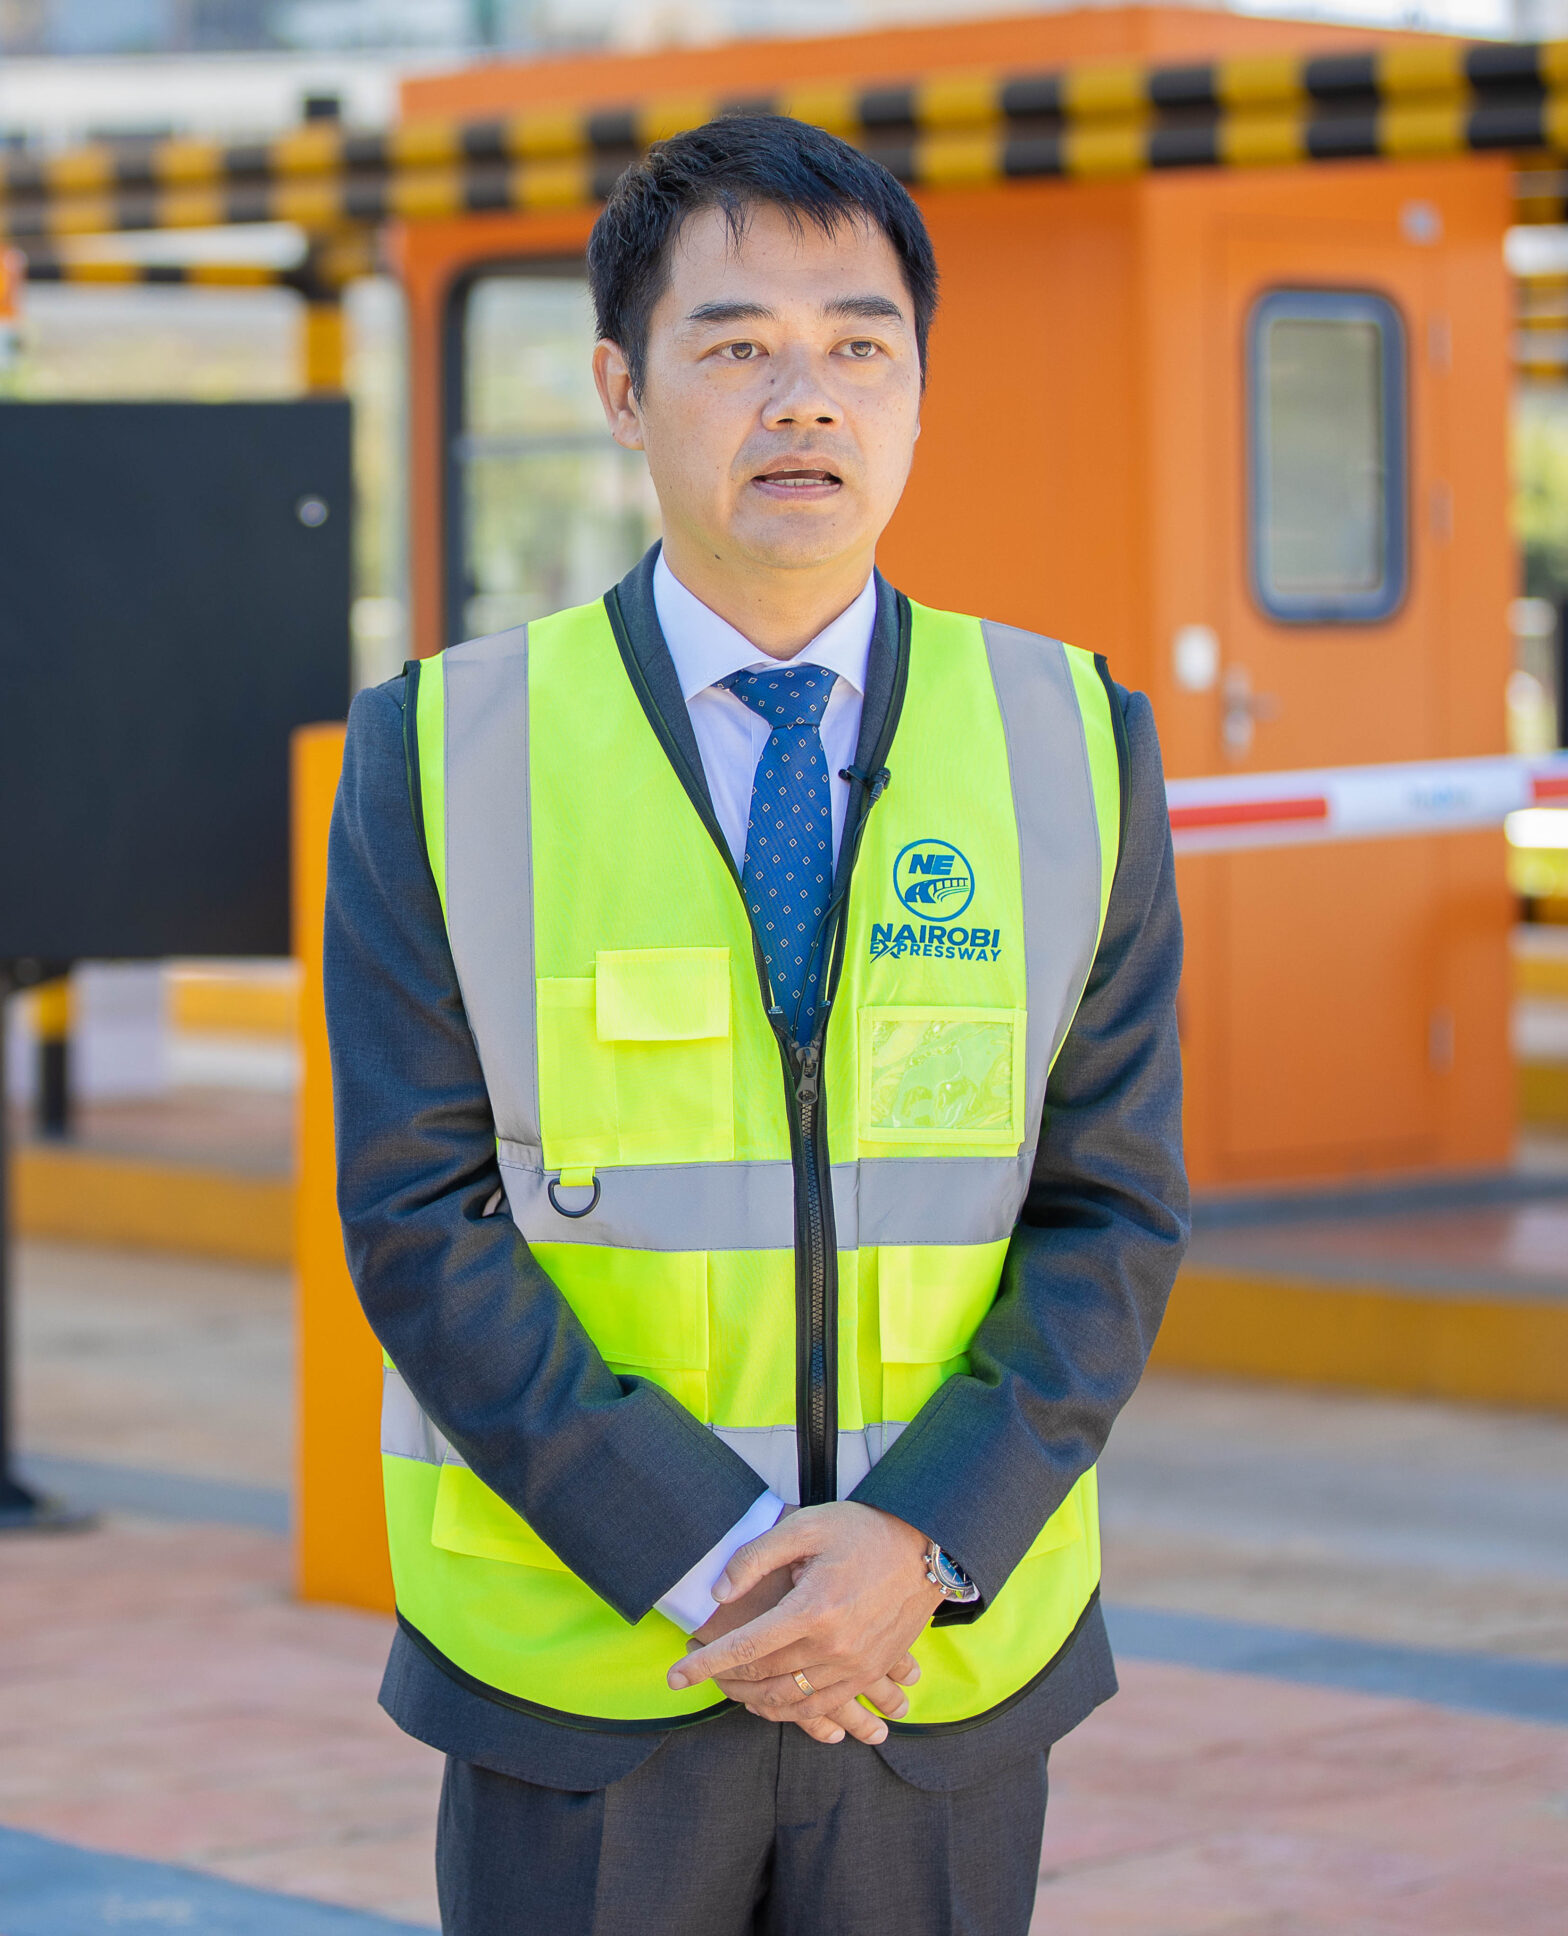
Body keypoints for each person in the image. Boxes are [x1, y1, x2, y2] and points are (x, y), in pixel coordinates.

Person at [325, 116, 1186, 1934]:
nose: (807, 398)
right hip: (591, 1669)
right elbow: (418, 1212)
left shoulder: (1073, 740)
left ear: (921, 391)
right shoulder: (447, 746)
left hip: (936, 1668)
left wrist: (915, 1548)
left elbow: (1112, 1205)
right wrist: (712, 1560)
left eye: (860, 346)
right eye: (737, 346)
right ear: (623, 391)